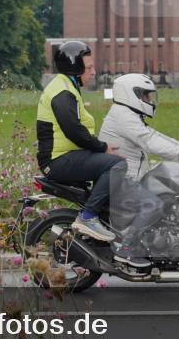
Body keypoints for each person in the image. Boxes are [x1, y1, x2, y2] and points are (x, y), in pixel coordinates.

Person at [98, 73, 179, 267]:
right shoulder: (123, 116)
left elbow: (152, 135)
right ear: (132, 95)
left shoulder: (126, 114)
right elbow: (149, 141)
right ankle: (127, 249)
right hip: (122, 179)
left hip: (128, 176)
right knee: (153, 204)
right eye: (145, 96)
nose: (149, 100)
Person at [36, 41, 125, 242]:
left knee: (108, 166)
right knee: (117, 165)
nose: (94, 71)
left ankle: (102, 220)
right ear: (75, 67)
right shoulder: (63, 92)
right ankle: (89, 217)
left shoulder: (66, 86)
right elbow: (73, 130)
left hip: (63, 157)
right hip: (57, 161)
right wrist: (102, 147)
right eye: (90, 67)